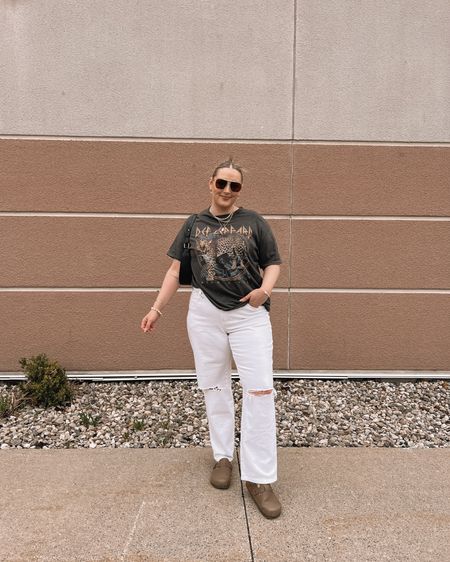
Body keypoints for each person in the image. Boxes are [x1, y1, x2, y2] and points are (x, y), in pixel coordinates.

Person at [140, 158, 282, 519]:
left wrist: (264, 291)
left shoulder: (254, 222)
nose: (227, 190)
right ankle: (223, 457)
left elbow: (273, 263)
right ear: (211, 183)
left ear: (240, 191)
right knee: (214, 386)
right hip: (204, 314)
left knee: (260, 390)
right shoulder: (193, 224)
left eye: (234, 186)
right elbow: (175, 271)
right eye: (222, 183)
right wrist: (157, 309)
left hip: (248, 315)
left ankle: (259, 478)